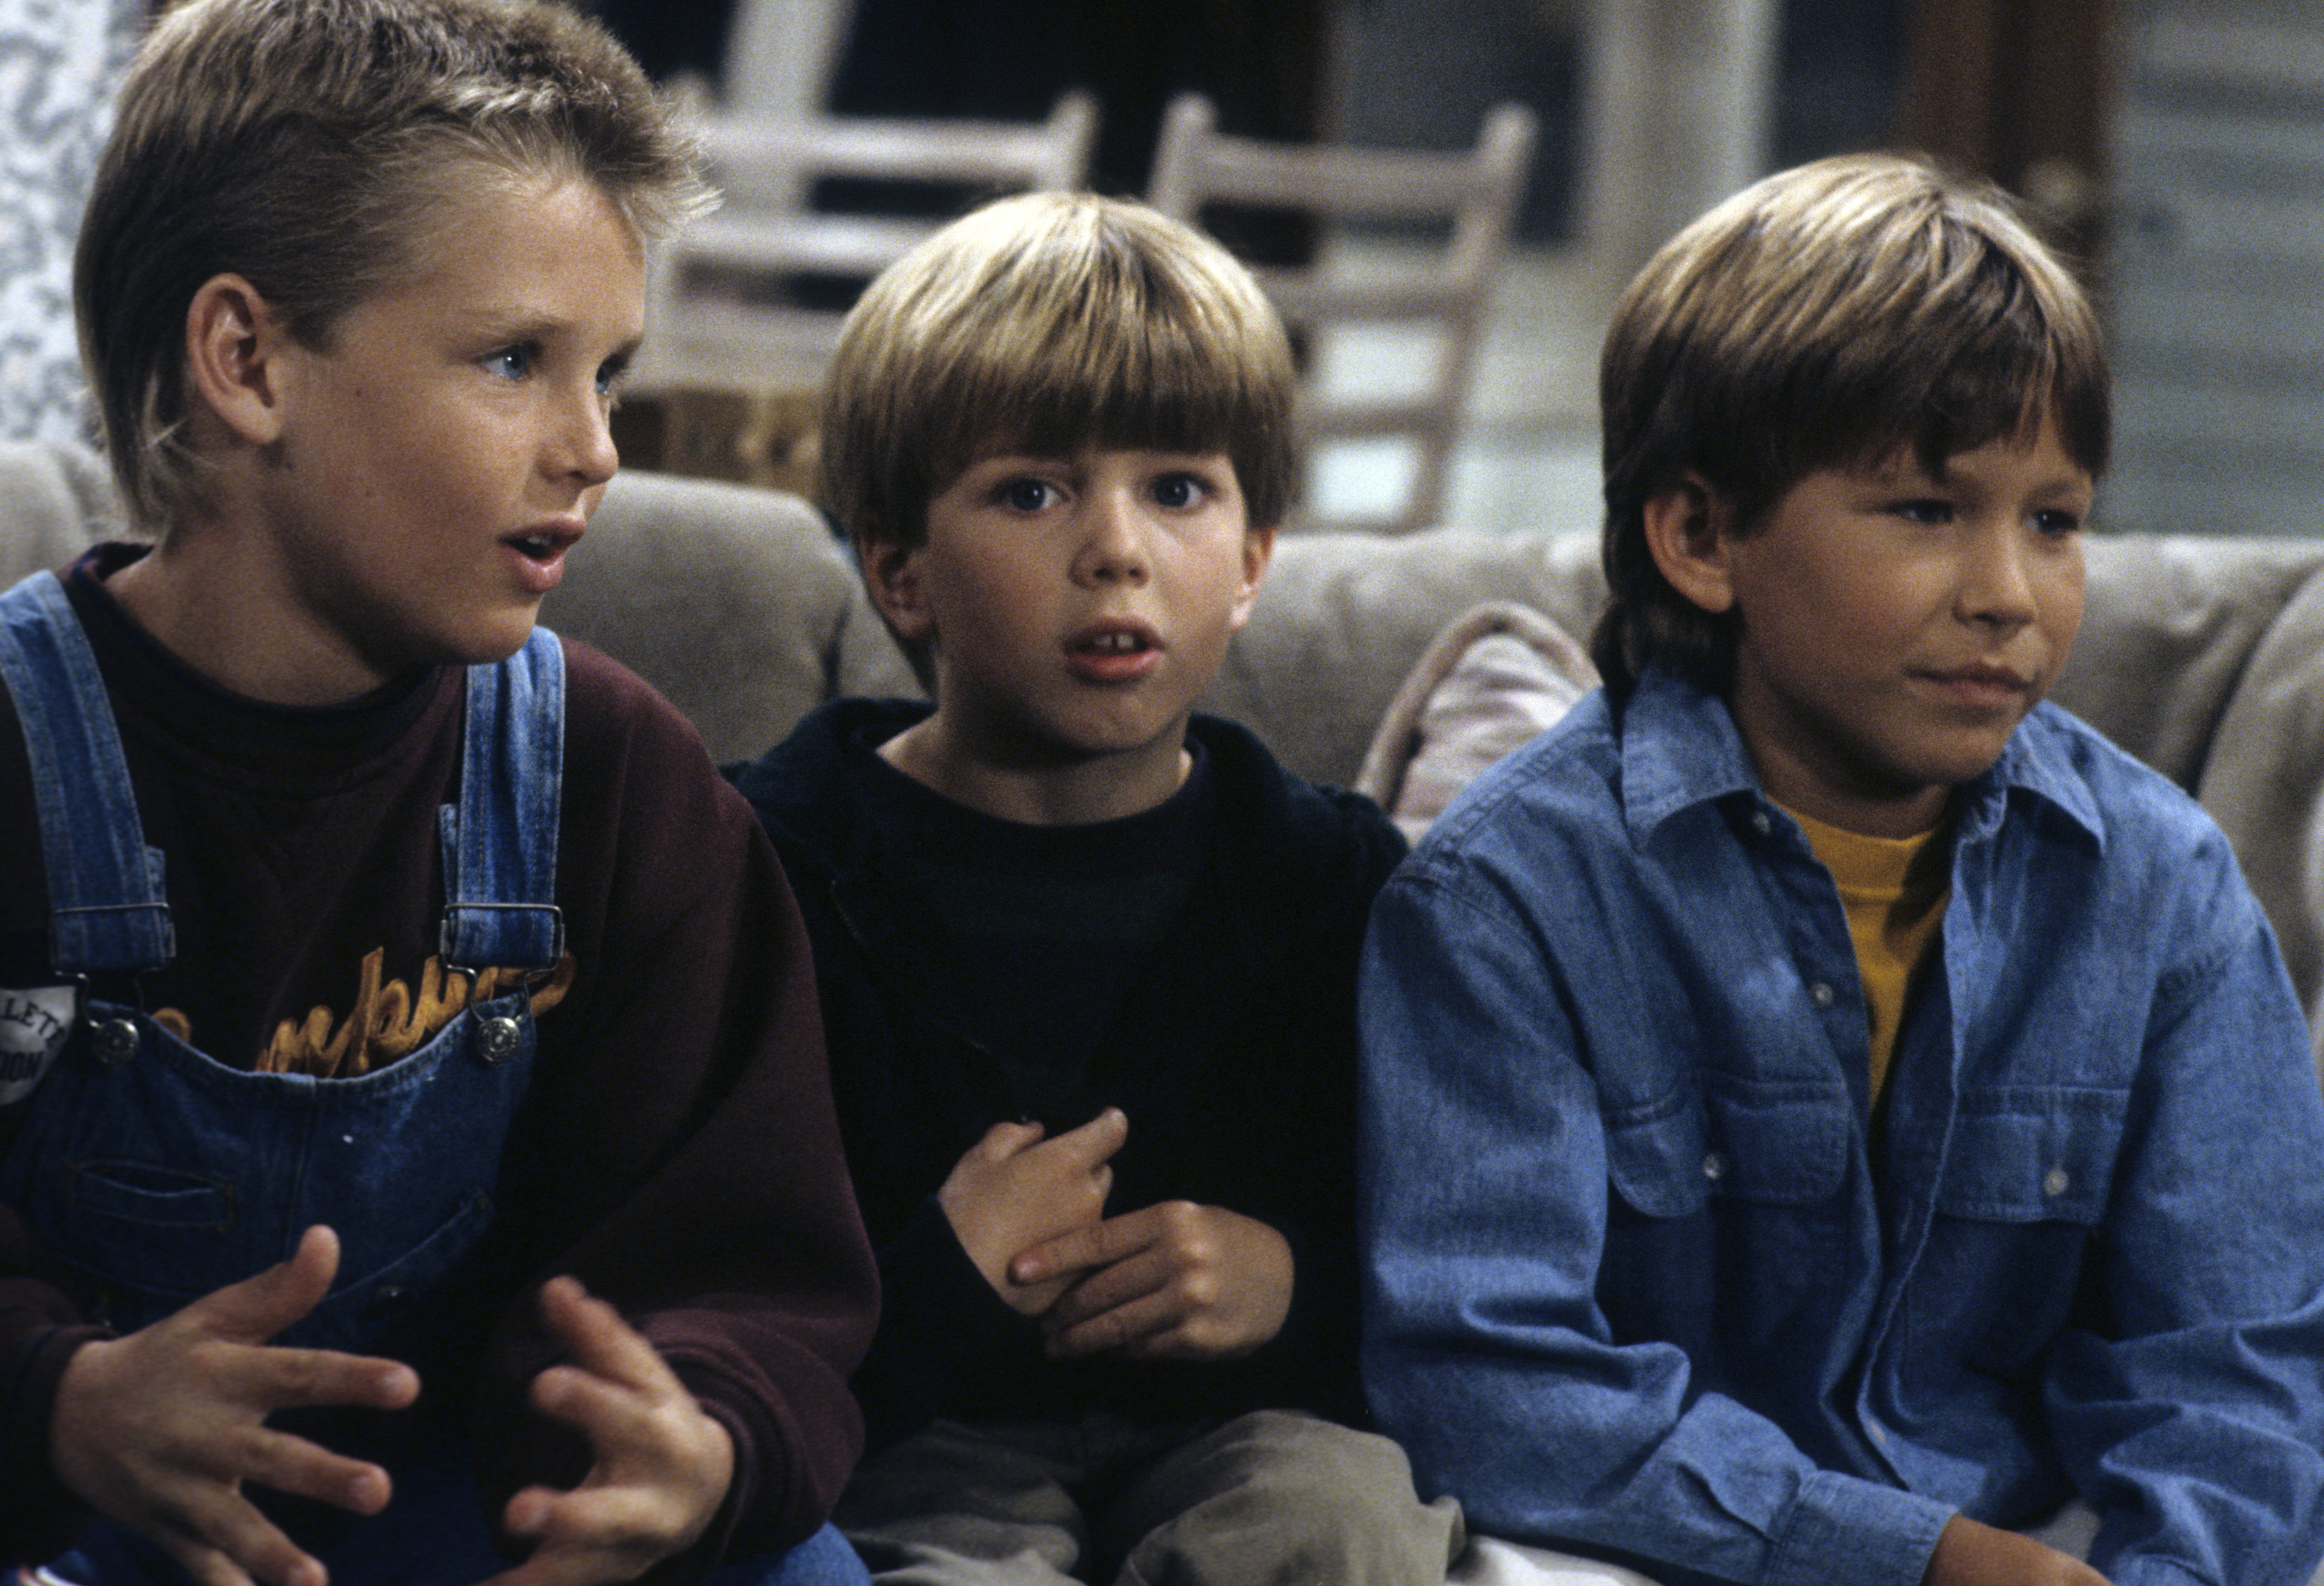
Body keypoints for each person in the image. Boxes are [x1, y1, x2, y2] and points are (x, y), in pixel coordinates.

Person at [0, 2, 878, 1584]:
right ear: (248, 359)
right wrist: (50, 1400)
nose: (594, 446)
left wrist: (693, 1438)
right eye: (512, 360)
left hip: (462, 1509)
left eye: (606, 371)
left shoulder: (617, 777)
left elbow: (741, 1256)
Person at [1357, 153, 2324, 1586]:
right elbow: (1486, 1381)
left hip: (2043, 1539)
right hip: (1652, 1537)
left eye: (2051, 520)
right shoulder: (1509, 894)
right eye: (1926, 511)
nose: (2005, 591)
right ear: (1697, 537)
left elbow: (2231, 1369)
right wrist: (1907, 1558)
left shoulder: (2159, 888)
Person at [725, 191, 1463, 1585]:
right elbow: (721, 1312)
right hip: (910, 1437)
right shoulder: (761, 863)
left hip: (1245, 1431)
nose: (1115, 548)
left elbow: (1451, 1274)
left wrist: (1286, 1289)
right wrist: (937, 1280)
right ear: (899, 569)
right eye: (1031, 491)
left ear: (1250, 563)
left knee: (1342, 1519)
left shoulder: (1335, 882)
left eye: (1177, 491)